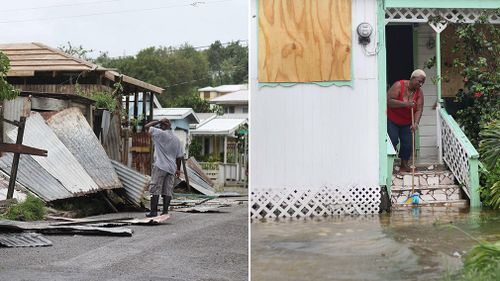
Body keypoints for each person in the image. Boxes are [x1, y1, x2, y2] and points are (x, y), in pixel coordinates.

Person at [387, 69, 426, 172]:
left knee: (408, 143)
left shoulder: (419, 92)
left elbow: (419, 109)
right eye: (419, 81)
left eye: (423, 82)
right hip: (393, 119)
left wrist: (416, 123)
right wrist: (405, 104)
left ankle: (404, 164)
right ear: (412, 78)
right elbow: (389, 102)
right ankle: (389, 165)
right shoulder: (399, 85)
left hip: (407, 122)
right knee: (393, 140)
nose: (421, 84)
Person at [144, 118, 183, 217]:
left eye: (161, 125)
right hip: (171, 168)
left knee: (155, 188)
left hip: (160, 166)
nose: (159, 127)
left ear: (163, 126)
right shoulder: (177, 139)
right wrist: (178, 169)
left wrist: (157, 121)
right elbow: (179, 157)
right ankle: (165, 211)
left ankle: (153, 211)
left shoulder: (160, 133)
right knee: (167, 190)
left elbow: (147, 127)